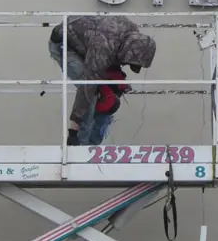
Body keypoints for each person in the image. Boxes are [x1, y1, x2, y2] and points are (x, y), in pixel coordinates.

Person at [48, 15, 157, 146]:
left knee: (110, 97)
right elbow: (87, 87)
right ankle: (80, 145)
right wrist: (73, 129)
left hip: (90, 46)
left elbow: (114, 55)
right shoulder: (103, 47)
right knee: (92, 94)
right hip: (65, 44)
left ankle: (93, 144)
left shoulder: (132, 33)